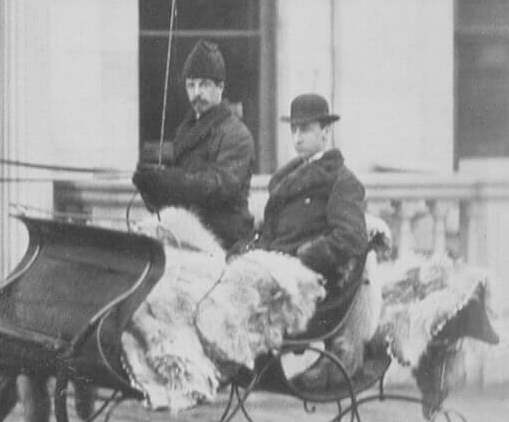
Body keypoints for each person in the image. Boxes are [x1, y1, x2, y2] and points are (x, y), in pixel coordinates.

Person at [254, 93, 370, 387]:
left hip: (311, 282)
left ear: (325, 133)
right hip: (276, 265)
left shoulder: (341, 181)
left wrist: (307, 254)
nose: (297, 137)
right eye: (294, 129)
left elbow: (351, 237)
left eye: (305, 129)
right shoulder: (288, 178)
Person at [131, 39, 256, 252]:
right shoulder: (185, 131)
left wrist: (170, 181)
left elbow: (218, 186)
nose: (197, 92)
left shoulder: (236, 134)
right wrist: (151, 185)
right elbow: (173, 199)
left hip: (223, 239)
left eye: (204, 84)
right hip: (186, 234)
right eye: (191, 85)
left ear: (220, 87)